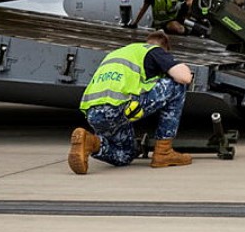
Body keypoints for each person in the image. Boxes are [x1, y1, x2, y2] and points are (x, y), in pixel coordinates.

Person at [67, 32, 194, 174]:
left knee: (125, 154)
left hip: (94, 113)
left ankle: (91, 142)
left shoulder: (118, 53)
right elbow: (184, 77)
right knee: (177, 85)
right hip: (118, 107)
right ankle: (163, 152)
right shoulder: (154, 50)